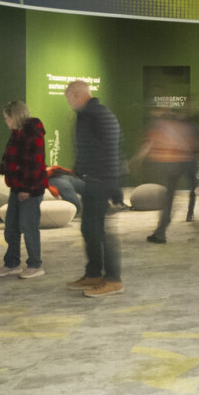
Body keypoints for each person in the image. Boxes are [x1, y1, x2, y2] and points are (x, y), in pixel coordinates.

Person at [64, 81, 123, 297]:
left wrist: (112, 183)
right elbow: (89, 148)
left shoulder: (98, 114)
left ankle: (113, 279)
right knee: (89, 229)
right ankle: (94, 274)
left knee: (101, 232)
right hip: (93, 180)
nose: (68, 103)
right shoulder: (87, 115)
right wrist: (79, 169)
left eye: (68, 98)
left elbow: (111, 148)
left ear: (77, 95)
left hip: (102, 181)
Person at [0, 100, 47, 281]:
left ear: (15, 116)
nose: (6, 122)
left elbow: (35, 163)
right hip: (16, 187)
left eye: (7, 118)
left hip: (30, 190)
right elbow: (12, 160)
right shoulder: (16, 134)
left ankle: (35, 264)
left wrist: (25, 188)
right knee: (11, 227)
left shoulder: (33, 132)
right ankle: (12, 262)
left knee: (28, 227)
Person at [138, 108, 199, 244]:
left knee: (168, 198)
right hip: (186, 161)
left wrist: (140, 159)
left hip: (171, 164)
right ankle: (187, 215)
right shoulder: (187, 126)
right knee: (174, 196)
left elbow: (150, 144)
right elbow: (196, 145)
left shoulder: (161, 125)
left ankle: (161, 233)